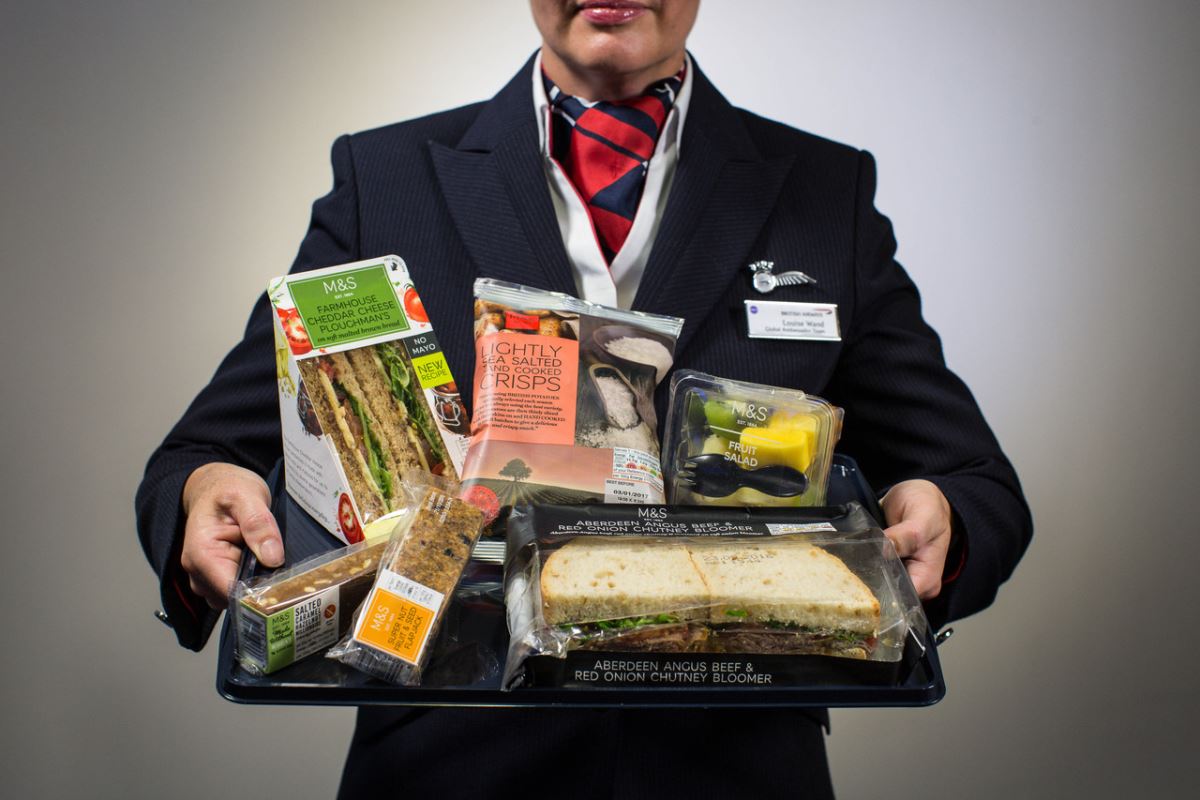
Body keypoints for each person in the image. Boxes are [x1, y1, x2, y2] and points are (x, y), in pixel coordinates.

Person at [137, 2, 1032, 797]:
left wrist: (944, 515)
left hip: (737, 762)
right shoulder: (388, 177)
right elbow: (212, 446)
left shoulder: (821, 189)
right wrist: (202, 488)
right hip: (449, 761)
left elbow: (971, 479)